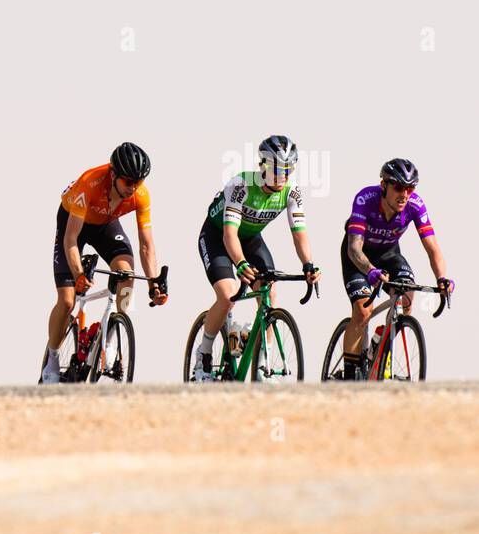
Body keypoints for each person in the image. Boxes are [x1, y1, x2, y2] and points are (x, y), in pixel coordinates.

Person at [191, 135, 320, 381]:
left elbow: (299, 235)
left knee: (269, 294)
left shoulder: (292, 192)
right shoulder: (241, 184)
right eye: (277, 169)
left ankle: (261, 364)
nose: (283, 175)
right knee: (228, 295)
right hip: (217, 236)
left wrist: (308, 265)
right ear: (263, 165)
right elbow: (230, 234)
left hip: (250, 238)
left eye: (288, 169)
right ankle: (204, 354)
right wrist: (240, 264)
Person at [40, 142, 167, 384]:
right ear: (113, 174)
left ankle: (109, 336)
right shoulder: (89, 184)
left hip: (105, 224)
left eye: (138, 182)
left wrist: (154, 284)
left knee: (126, 274)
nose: (133, 188)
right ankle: (52, 361)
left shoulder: (141, 194)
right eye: (128, 181)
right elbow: (70, 239)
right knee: (67, 301)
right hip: (74, 224)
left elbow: (146, 245)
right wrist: (78, 274)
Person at [339, 158, 453, 379]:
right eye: (398, 187)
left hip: (389, 254)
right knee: (363, 311)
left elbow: (433, 249)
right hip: (358, 256)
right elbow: (354, 248)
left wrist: (442, 278)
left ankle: (380, 347)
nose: (404, 194)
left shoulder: (415, 205)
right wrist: (370, 271)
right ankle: (349, 376)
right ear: (384, 185)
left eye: (410, 189)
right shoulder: (366, 198)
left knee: (407, 298)